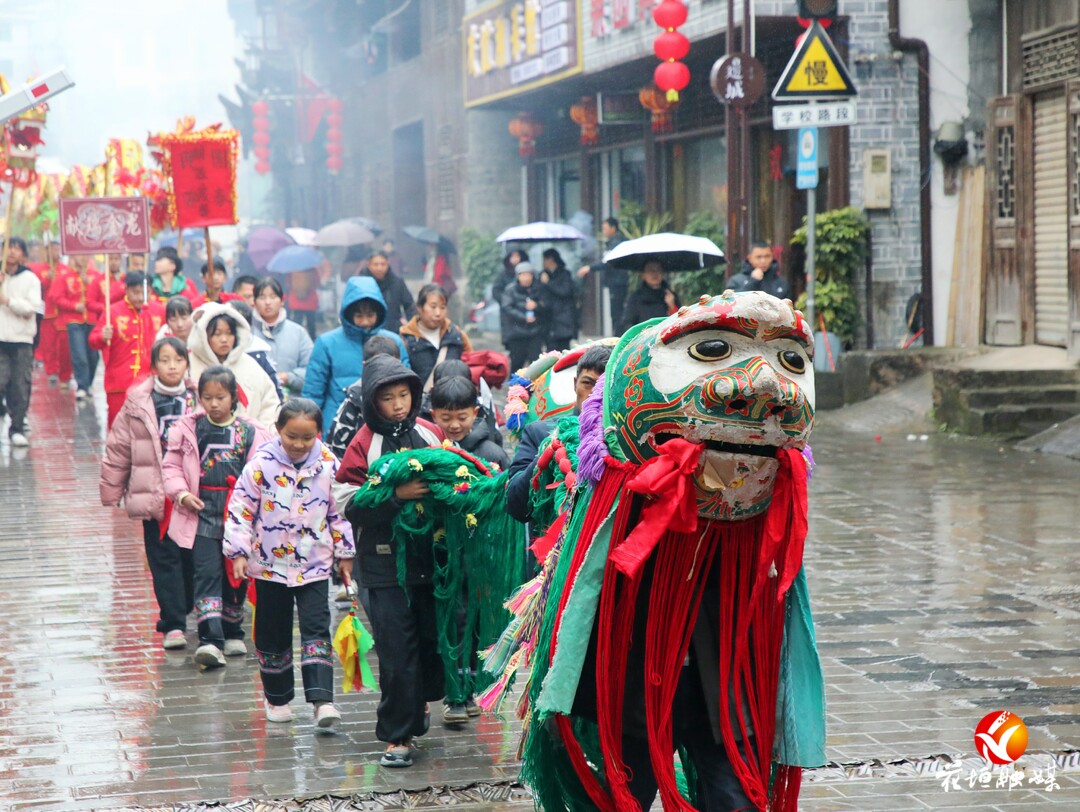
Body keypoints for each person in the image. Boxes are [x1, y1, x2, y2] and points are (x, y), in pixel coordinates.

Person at [334, 355, 445, 768]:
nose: (398, 405)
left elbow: (457, 476)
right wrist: (396, 496)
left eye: (404, 395)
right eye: (388, 398)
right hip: (382, 566)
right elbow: (346, 501)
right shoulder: (363, 443)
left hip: (430, 562)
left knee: (431, 643)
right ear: (371, 402)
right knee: (396, 651)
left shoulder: (430, 434)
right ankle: (397, 735)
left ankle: (417, 705)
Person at [224, 398, 354, 728]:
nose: (298, 444)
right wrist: (238, 552)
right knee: (272, 630)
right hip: (268, 565)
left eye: (306, 438)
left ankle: (322, 699)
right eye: (291, 436)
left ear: (318, 434)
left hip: (314, 564)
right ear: (278, 430)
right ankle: (277, 697)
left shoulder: (328, 465)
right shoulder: (260, 465)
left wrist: (346, 554)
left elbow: (339, 513)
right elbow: (240, 509)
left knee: (316, 627)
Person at [162, 365, 272, 669]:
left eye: (220, 397)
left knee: (235, 575)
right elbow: (170, 467)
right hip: (201, 513)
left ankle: (234, 630)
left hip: (238, 515)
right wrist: (182, 494)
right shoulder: (189, 429)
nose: (213, 403)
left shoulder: (251, 432)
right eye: (207, 397)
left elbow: (261, 475)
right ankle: (210, 640)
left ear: (233, 396)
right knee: (205, 572)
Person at [99, 336, 198, 650]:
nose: (171, 366)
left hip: (192, 496)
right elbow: (118, 447)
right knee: (163, 559)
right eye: (165, 360)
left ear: (186, 363)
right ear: (154, 366)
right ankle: (173, 622)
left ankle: (184, 605)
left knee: (192, 558)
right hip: (155, 495)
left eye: (177, 360)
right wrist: (112, 488)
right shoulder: (138, 401)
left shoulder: (200, 398)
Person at [505, 343, 611, 524]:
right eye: (587, 383)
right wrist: (548, 449)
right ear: (574, 384)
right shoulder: (539, 432)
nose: (595, 394)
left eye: (604, 386)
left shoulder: (626, 439)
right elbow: (516, 506)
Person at [303, 276, 409, 435]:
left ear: (379, 313)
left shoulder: (393, 341)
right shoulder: (327, 343)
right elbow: (313, 393)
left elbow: (406, 385)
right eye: (359, 316)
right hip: (339, 427)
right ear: (348, 315)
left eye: (370, 315)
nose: (365, 322)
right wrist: (310, 429)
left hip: (386, 425)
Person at [89, 272, 167, 428]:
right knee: (118, 427)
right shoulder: (113, 312)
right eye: (135, 292)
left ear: (150, 291)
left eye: (143, 293)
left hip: (149, 381)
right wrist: (102, 337)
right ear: (126, 290)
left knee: (147, 427)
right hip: (119, 381)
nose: (139, 297)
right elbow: (93, 340)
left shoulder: (159, 311)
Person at [187, 302, 281, 428]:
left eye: (229, 333)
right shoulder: (189, 365)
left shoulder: (250, 366)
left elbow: (269, 405)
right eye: (217, 334)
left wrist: (261, 437)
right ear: (204, 336)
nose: (224, 339)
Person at [325, 334, 400, 461]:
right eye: (379, 366)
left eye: (392, 365)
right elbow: (336, 446)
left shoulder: (410, 392)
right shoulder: (355, 399)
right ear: (365, 366)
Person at [0, 237, 43, 447]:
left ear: (23, 254)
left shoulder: (30, 279)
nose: (12, 252)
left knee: (19, 385)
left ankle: (16, 427)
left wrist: (8, 301)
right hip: (0, 339)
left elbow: (31, 308)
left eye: (17, 249)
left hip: (21, 341)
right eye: (9, 248)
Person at [399, 284, 472, 391]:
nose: (438, 313)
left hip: (453, 402)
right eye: (433, 307)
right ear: (420, 308)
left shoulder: (457, 335)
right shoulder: (405, 338)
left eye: (442, 307)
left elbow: (472, 367)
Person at [50, 255, 103, 400]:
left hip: (92, 320)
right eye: (79, 255)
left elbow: (103, 297)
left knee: (93, 355)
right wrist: (73, 306)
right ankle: (82, 386)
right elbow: (56, 298)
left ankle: (88, 383)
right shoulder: (65, 277)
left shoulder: (96, 277)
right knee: (79, 354)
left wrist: (90, 285)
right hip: (74, 321)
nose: (83, 259)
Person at [429, 374, 508, 470]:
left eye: (462, 418)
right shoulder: (426, 448)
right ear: (433, 415)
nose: (455, 425)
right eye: (446, 419)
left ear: (475, 413)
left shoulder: (493, 455)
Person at [253, 277, 314, 397]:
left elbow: (312, 371)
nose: (267, 302)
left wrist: (288, 378)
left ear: (282, 301)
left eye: (273, 296)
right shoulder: (247, 333)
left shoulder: (299, 333)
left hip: (292, 404)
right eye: (262, 297)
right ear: (254, 302)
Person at [576, 216, 628, 331]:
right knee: (615, 313)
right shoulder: (612, 242)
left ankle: (618, 338)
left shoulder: (617, 243)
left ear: (613, 228)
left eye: (605, 228)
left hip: (618, 282)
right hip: (615, 282)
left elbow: (607, 262)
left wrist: (589, 268)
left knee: (617, 314)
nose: (603, 231)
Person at [32, 243, 72, 387]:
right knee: (48, 345)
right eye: (52, 249)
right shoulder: (40, 269)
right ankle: (52, 371)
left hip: (62, 313)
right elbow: (35, 287)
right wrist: (46, 279)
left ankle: (65, 372)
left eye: (57, 249)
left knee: (63, 346)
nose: (56, 252)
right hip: (47, 312)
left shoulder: (65, 270)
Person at [499, 262, 544, 372]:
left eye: (528, 275)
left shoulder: (538, 288)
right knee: (517, 363)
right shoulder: (510, 289)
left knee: (536, 364)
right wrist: (523, 317)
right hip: (517, 332)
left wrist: (536, 306)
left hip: (534, 332)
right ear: (518, 276)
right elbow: (507, 308)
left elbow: (546, 306)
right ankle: (514, 387)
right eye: (523, 275)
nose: (526, 278)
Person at [619, 259, 680, 333]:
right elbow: (627, 324)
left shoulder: (671, 296)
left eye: (658, 269)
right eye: (650, 270)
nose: (654, 273)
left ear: (662, 273)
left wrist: (672, 306)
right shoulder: (636, 298)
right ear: (643, 275)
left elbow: (679, 322)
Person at [361, 251, 415, 333]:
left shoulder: (397, 283)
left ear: (388, 264)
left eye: (383, 264)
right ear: (369, 265)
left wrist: (412, 327)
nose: (379, 268)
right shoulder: (362, 283)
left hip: (393, 330)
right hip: (368, 330)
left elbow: (409, 306)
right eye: (376, 265)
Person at [539, 248, 577, 351]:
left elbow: (565, 291)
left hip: (563, 319)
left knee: (563, 351)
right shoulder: (543, 274)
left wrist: (548, 283)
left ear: (550, 259)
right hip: (548, 319)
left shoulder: (564, 274)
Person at [492, 250, 525, 348]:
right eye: (513, 257)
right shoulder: (503, 275)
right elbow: (496, 292)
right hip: (509, 314)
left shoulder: (528, 274)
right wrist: (508, 302)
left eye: (518, 256)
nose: (515, 259)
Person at [285, 270, 320, 339]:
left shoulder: (292, 271)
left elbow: (288, 283)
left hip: (297, 302)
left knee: (297, 323)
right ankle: (312, 340)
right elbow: (317, 282)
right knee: (311, 324)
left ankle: (295, 339)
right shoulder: (313, 270)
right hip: (310, 302)